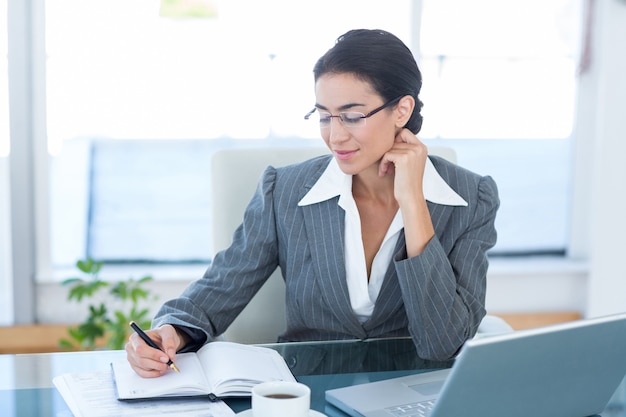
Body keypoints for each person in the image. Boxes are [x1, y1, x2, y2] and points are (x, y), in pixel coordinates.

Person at [126, 29, 499, 378]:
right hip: (306, 393)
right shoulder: (284, 191)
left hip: (413, 395)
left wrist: (413, 202)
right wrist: (170, 330)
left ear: (401, 110)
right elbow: (220, 288)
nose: (335, 135)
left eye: (352, 116)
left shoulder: (472, 199)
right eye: (324, 116)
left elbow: (443, 343)